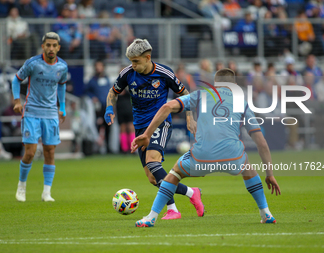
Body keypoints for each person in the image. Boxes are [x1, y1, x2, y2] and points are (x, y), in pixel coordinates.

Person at [132, 68, 281, 227]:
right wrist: (269, 174)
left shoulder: (202, 95)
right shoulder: (242, 103)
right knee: (248, 168)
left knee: (174, 174)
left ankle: (151, 217)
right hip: (233, 158)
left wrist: (147, 134)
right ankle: (266, 213)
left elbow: (166, 107)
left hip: (201, 157)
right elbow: (261, 142)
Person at [104, 39, 204, 220]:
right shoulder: (127, 73)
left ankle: (172, 209)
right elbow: (113, 92)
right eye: (131, 61)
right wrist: (109, 108)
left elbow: (185, 93)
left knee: (152, 161)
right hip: (140, 127)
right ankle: (191, 192)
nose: (132, 65)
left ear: (147, 57)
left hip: (160, 123)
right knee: (152, 177)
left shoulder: (164, 73)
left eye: (136, 61)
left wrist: (190, 118)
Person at [12, 32, 68, 202]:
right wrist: (17, 101)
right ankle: (21, 187)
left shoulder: (62, 67)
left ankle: (46, 193)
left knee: (50, 152)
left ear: (58, 47)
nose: (51, 48)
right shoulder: (33, 63)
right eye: (48, 45)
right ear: (43, 46)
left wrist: (62, 107)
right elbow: (16, 80)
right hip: (32, 112)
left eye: (54, 45)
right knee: (30, 152)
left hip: (50, 113)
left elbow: (62, 86)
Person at [83, 60, 112, 153]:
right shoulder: (92, 80)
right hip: (97, 108)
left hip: (106, 107)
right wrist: (93, 97)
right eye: (97, 66)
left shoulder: (107, 78)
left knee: (108, 127)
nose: (99, 68)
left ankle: (108, 147)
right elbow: (86, 91)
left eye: (100, 66)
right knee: (98, 127)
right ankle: (98, 148)